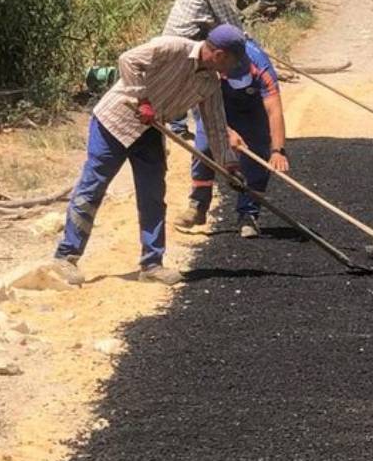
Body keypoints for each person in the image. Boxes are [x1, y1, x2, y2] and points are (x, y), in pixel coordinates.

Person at [50, 25, 246, 287]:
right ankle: (66, 257)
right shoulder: (173, 47)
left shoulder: (210, 82)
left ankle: (152, 264)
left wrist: (229, 165)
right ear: (220, 54)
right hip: (115, 122)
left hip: (152, 130)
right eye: (232, 62)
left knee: (153, 195)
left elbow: (216, 125)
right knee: (93, 186)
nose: (232, 69)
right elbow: (128, 60)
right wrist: (142, 100)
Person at [177, 37, 291, 239]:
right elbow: (204, 108)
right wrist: (226, 132)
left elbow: (274, 110)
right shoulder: (212, 67)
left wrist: (277, 151)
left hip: (252, 109)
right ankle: (198, 205)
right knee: (204, 149)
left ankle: (248, 214)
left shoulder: (262, 70)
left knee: (257, 153)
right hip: (214, 104)